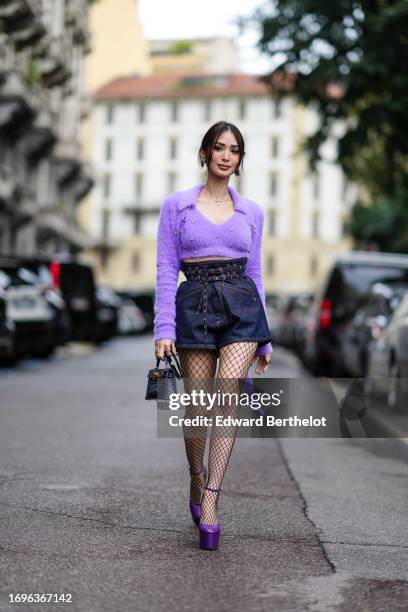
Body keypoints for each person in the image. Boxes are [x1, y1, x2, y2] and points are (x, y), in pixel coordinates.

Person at [154, 121, 273, 550]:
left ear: (240, 159)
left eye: (234, 150)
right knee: (198, 408)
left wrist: (266, 337)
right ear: (205, 153)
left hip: (241, 305)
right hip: (193, 305)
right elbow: (167, 269)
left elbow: (255, 273)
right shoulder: (177, 206)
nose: (226, 155)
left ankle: (212, 499)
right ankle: (196, 476)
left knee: (228, 397)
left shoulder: (253, 212)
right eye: (219, 147)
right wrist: (163, 327)